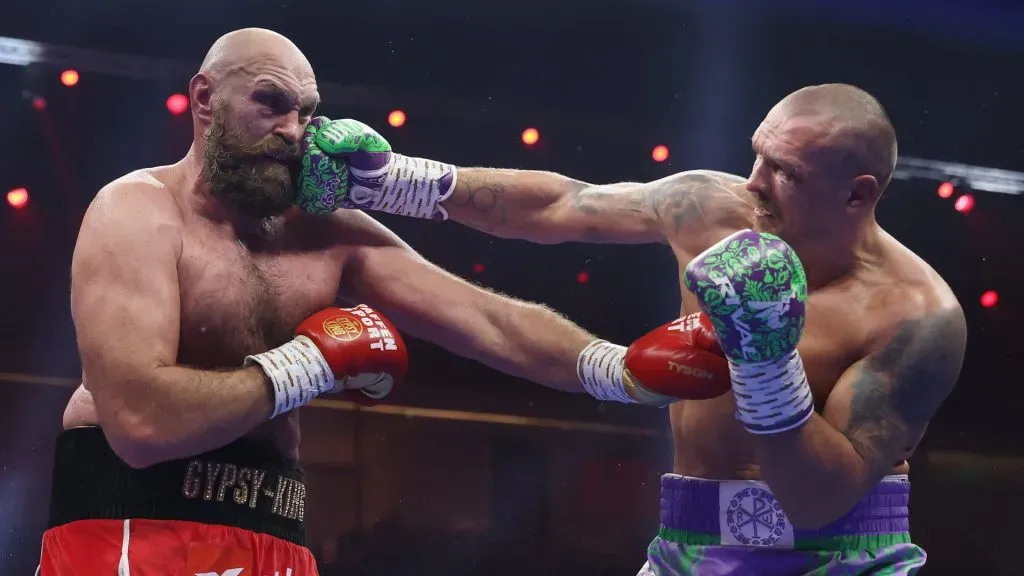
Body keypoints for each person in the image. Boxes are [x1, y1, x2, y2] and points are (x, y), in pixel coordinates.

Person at [40, 28, 710, 576]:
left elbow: (487, 319)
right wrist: (308, 364)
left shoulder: (326, 233)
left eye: (307, 112)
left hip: (276, 535)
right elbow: (139, 426)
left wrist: (617, 369)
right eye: (271, 103)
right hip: (131, 528)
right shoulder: (138, 211)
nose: (293, 130)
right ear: (205, 98)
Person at [303, 83, 967, 574]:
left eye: (785, 173)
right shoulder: (711, 207)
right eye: (757, 157)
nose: (753, 184)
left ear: (859, 193)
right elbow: (562, 205)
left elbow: (818, 499)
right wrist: (392, 183)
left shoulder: (916, 316)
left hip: (841, 557)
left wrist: (766, 359)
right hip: (691, 545)